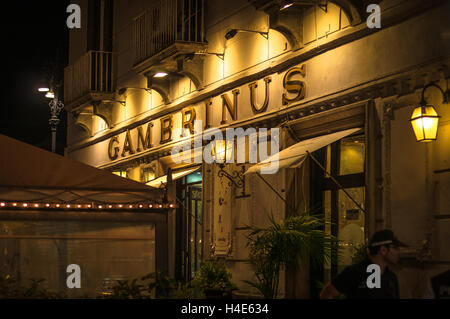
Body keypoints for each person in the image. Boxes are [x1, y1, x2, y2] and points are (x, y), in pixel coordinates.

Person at [320, 229, 407, 299]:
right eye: (395, 248)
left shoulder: (391, 278)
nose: (398, 252)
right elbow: (327, 293)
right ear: (383, 250)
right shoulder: (355, 272)